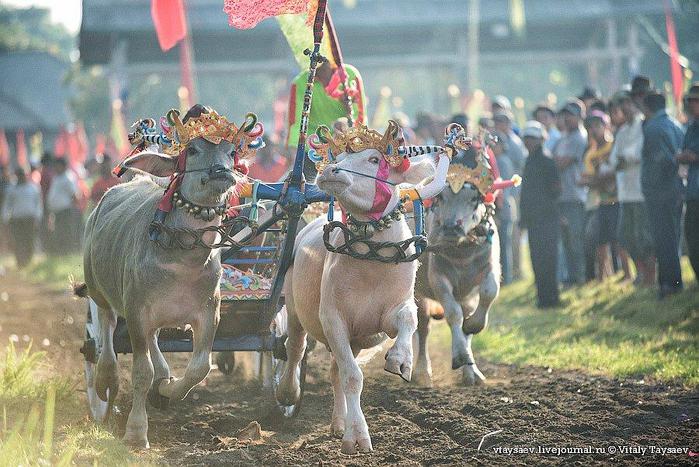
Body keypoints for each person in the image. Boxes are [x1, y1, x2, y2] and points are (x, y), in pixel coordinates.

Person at [609, 91, 655, 286]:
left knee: (644, 237)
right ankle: (640, 273)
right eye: (622, 104)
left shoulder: (642, 125)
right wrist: (623, 159)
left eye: (628, 102)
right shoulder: (621, 131)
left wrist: (624, 159)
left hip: (640, 191)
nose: (625, 107)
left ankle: (650, 277)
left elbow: (637, 153)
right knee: (625, 236)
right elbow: (613, 160)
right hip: (625, 192)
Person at [641, 91, 684, 298]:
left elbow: (661, 160)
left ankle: (670, 284)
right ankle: (673, 282)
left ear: (647, 108)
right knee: (672, 238)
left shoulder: (652, 128)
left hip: (660, 192)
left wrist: (652, 186)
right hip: (674, 188)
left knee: (663, 240)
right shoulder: (674, 124)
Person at [520, 121, 561, 308]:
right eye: (527, 138)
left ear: (541, 139)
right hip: (534, 219)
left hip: (546, 218)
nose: (529, 142)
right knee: (537, 259)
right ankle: (542, 298)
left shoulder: (546, 159)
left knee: (548, 259)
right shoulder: (530, 160)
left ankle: (551, 298)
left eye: (532, 138)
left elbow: (556, 189)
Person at [553, 100, 588, 285]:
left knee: (576, 239)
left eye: (571, 114)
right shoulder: (563, 138)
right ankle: (571, 278)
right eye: (565, 114)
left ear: (580, 116)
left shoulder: (580, 138)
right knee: (566, 241)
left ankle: (580, 277)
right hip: (562, 196)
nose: (567, 118)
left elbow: (560, 163)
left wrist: (555, 161)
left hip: (575, 196)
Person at [581, 110, 619, 280]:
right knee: (600, 241)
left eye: (597, 125)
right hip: (602, 201)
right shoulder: (590, 155)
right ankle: (602, 278)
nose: (594, 130)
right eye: (590, 127)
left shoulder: (614, 146)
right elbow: (591, 179)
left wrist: (595, 180)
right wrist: (597, 180)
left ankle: (625, 273)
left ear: (605, 126)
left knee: (618, 240)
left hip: (619, 199)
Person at [678, 83, 699, 280]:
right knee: (691, 237)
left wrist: (693, 157)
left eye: (696, 101)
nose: (692, 105)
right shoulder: (691, 127)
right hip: (693, 192)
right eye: (691, 101)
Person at [1, 168, 42, 268]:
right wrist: (5, 219)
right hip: (16, 220)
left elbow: (38, 204)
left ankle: (28, 261)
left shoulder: (33, 188)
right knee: (18, 241)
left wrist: (37, 217)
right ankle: (20, 262)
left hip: (29, 219)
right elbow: (7, 205)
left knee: (29, 240)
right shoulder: (11, 189)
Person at [492, 132, 514, 284]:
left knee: (504, 246)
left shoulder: (502, 162)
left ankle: (506, 278)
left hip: (503, 209)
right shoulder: (497, 161)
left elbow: (503, 190)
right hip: (501, 208)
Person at [46, 158, 81, 254]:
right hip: (57, 211)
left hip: (66, 211)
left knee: (66, 232)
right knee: (58, 232)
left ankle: (67, 253)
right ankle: (61, 252)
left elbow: (74, 195)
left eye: (58, 165)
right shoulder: (56, 177)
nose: (56, 168)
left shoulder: (68, 178)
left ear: (63, 166)